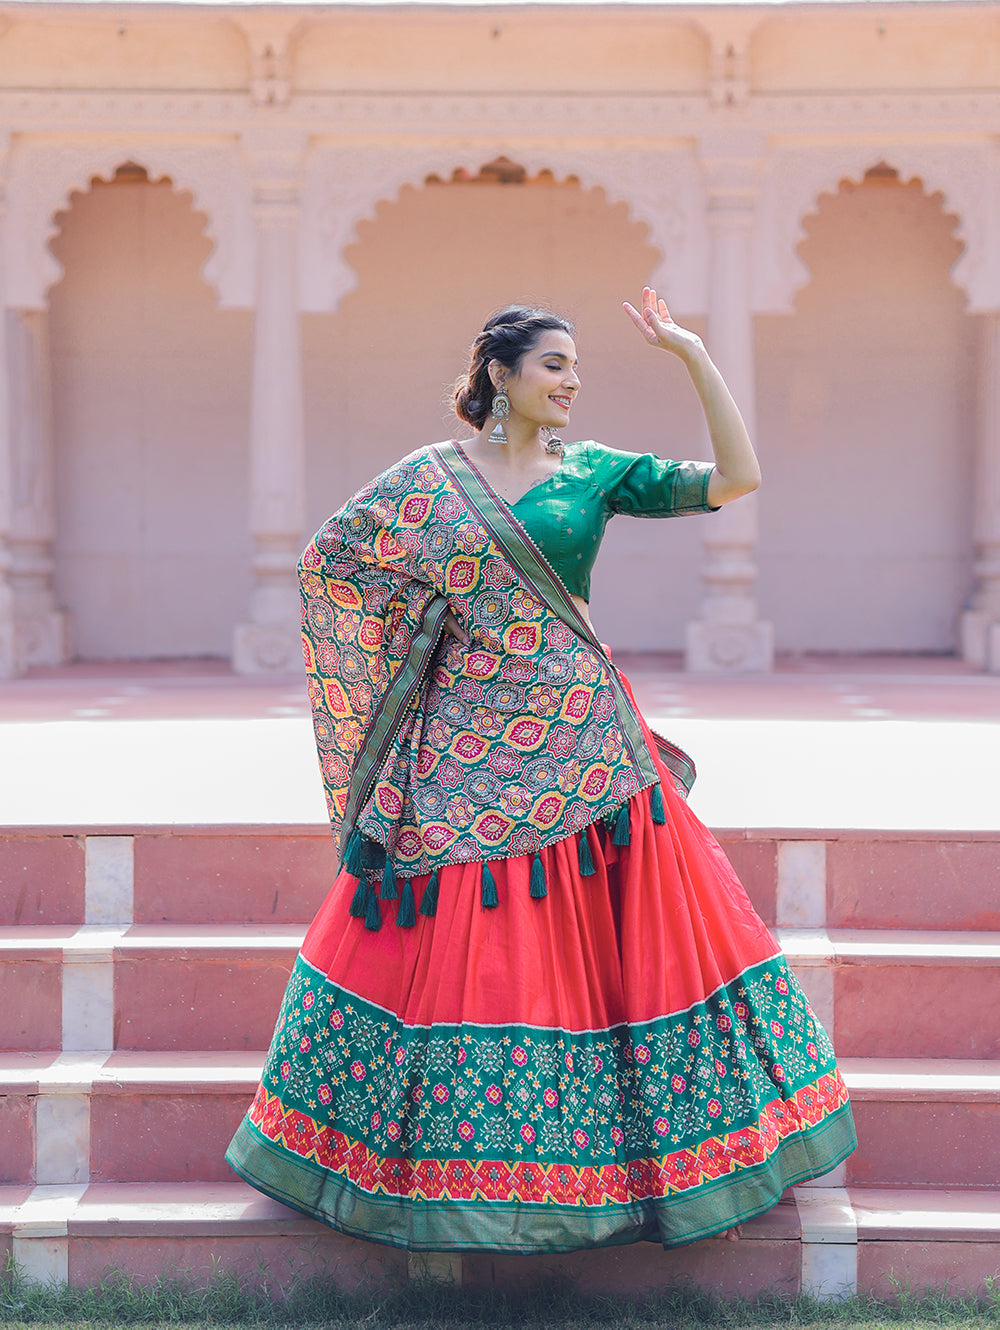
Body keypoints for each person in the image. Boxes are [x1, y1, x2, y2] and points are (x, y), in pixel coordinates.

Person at [226, 290, 856, 1253]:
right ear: (500, 376)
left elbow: (738, 477)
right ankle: (437, 1166)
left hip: (584, 740)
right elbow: (333, 564)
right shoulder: (428, 481)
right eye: (554, 364)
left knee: (626, 946)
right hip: (463, 741)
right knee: (448, 930)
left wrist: (691, 355)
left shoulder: (595, 471)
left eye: (575, 367)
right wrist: (415, 635)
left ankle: (636, 1168)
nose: (571, 382)